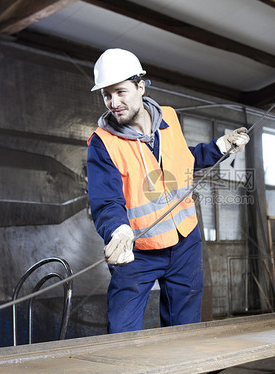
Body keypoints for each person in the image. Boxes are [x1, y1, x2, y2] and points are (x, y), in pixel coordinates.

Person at [86, 48, 249, 333]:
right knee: (122, 334)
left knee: (183, 333)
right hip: (138, 251)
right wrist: (118, 230)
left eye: (120, 92)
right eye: (106, 95)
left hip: (185, 242)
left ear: (140, 86)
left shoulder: (169, 119)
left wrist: (220, 147)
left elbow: (181, 160)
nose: (113, 102)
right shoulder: (102, 143)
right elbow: (106, 199)